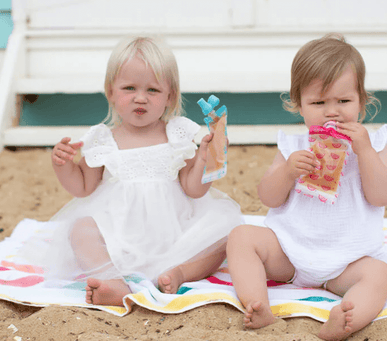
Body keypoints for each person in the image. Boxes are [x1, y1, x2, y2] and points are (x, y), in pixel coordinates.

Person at [18, 36, 242, 306]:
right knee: (80, 229)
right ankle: (113, 280)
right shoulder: (103, 139)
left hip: (174, 232)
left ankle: (179, 272)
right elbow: (83, 187)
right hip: (119, 234)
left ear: (170, 96)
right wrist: (63, 165)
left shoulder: (177, 134)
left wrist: (206, 159)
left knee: (224, 233)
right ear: (111, 91)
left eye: (153, 90)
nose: (140, 98)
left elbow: (193, 189)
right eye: (129, 88)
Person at [226, 33, 387, 341]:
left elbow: (383, 196)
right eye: (318, 103)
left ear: (362, 100)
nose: (332, 112)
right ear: (299, 106)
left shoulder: (373, 144)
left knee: (381, 275)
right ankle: (258, 304)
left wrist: (366, 153)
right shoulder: (293, 145)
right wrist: (288, 172)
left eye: (344, 101)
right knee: (241, 237)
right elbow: (268, 197)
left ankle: (346, 318)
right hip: (290, 254)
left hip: (348, 262)